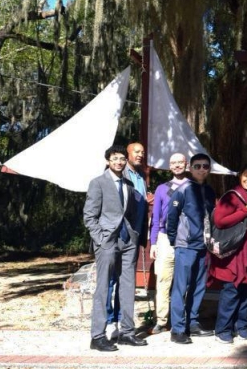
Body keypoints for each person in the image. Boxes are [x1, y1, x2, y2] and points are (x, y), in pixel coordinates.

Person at [84, 145, 147, 351]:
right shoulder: (98, 183)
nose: (119, 162)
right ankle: (98, 336)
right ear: (107, 161)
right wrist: (101, 239)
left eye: (121, 159)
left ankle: (127, 333)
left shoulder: (129, 183)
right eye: (114, 159)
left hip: (128, 240)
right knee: (103, 288)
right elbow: (89, 216)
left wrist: (134, 236)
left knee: (128, 287)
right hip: (107, 241)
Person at [210, 163, 247, 344]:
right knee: (232, 291)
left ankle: (241, 326)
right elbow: (220, 221)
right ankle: (222, 329)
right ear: (240, 175)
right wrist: (244, 211)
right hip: (237, 254)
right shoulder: (232, 196)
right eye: (246, 175)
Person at [166, 153, 216, 344]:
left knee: (198, 286)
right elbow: (172, 216)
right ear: (190, 168)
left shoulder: (210, 191)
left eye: (205, 166)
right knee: (180, 287)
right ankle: (177, 329)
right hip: (185, 245)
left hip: (204, 246)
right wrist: (174, 239)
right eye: (197, 166)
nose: (202, 169)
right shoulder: (183, 189)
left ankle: (192, 323)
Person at [105, 142, 148, 340]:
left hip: (134, 236)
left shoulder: (140, 177)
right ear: (127, 154)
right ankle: (108, 321)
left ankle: (123, 322)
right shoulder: (118, 175)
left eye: (142, 153)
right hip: (116, 236)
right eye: (136, 152)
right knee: (110, 280)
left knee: (126, 281)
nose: (140, 155)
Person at [149, 153, 189, 334]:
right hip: (165, 239)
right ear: (169, 166)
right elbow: (155, 217)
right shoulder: (161, 189)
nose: (177, 165)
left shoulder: (193, 187)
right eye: (174, 163)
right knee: (164, 280)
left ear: (186, 164)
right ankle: (161, 320)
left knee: (184, 282)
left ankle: (180, 319)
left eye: (180, 162)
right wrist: (154, 242)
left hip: (186, 239)